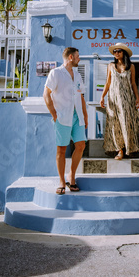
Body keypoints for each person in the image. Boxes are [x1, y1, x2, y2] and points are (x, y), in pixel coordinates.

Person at [43, 47, 88, 195]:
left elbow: (81, 96)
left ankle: (71, 176)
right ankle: (62, 181)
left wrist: (85, 116)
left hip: (77, 116)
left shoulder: (77, 74)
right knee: (61, 149)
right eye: (77, 56)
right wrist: (54, 114)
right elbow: (46, 94)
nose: (79, 59)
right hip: (62, 116)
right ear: (70, 57)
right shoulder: (56, 73)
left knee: (81, 145)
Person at [100, 43, 139, 160]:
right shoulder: (111, 65)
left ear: (124, 53)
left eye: (119, 51)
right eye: (115, 51)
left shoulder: (131, 66)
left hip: (127, 99)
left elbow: (133, 83)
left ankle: (130, 148)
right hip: (113, 99)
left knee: (127, 122)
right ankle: (120, 150)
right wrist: (102, 96)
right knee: (115, 124)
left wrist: (137, 98)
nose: (116, 53)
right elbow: (107, 83)